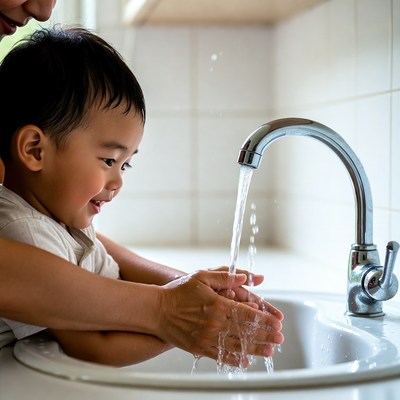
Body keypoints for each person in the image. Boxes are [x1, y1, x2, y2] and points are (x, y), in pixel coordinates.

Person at [0, 1, 283, 366]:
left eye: (125, 164)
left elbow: (106, 266)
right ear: (34, 150)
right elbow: (97, 346)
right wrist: (187, 326)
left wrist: (191, 292)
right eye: (108, 161)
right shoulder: (27, 229)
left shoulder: (53, 219)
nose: (117, 180)